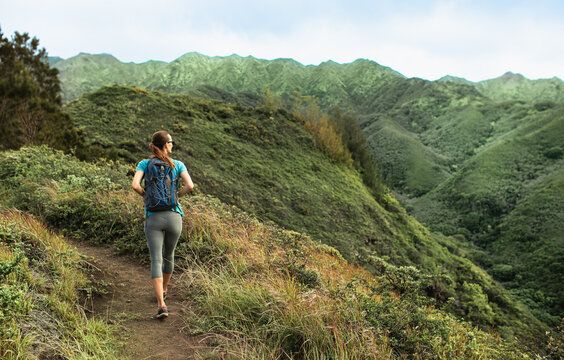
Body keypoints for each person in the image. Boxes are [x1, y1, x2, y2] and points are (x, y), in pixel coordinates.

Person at [131, 130, 194, 318]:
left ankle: (161, 304)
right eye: (171, 142)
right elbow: (190, 185)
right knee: (169, 256)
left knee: (156, 259)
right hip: (174, 216)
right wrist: (176, 197)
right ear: (166, 145)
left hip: (154, 217)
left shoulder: (144, 163)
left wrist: (147, 197)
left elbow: (135, 185)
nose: (173, 145)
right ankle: (164, 289)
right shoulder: (178, 164)